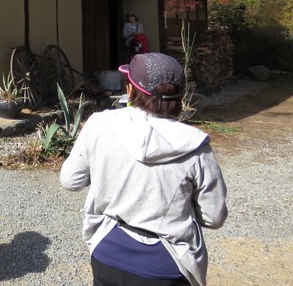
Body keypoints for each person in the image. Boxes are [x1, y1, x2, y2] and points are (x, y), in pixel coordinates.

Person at [60, 53, 227, 286]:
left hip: (107, 250)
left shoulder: (100, 124)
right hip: (168, 264)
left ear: (130, 90)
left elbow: (71, 181)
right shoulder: (196, 146)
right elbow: (214, 217)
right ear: (180, 96)